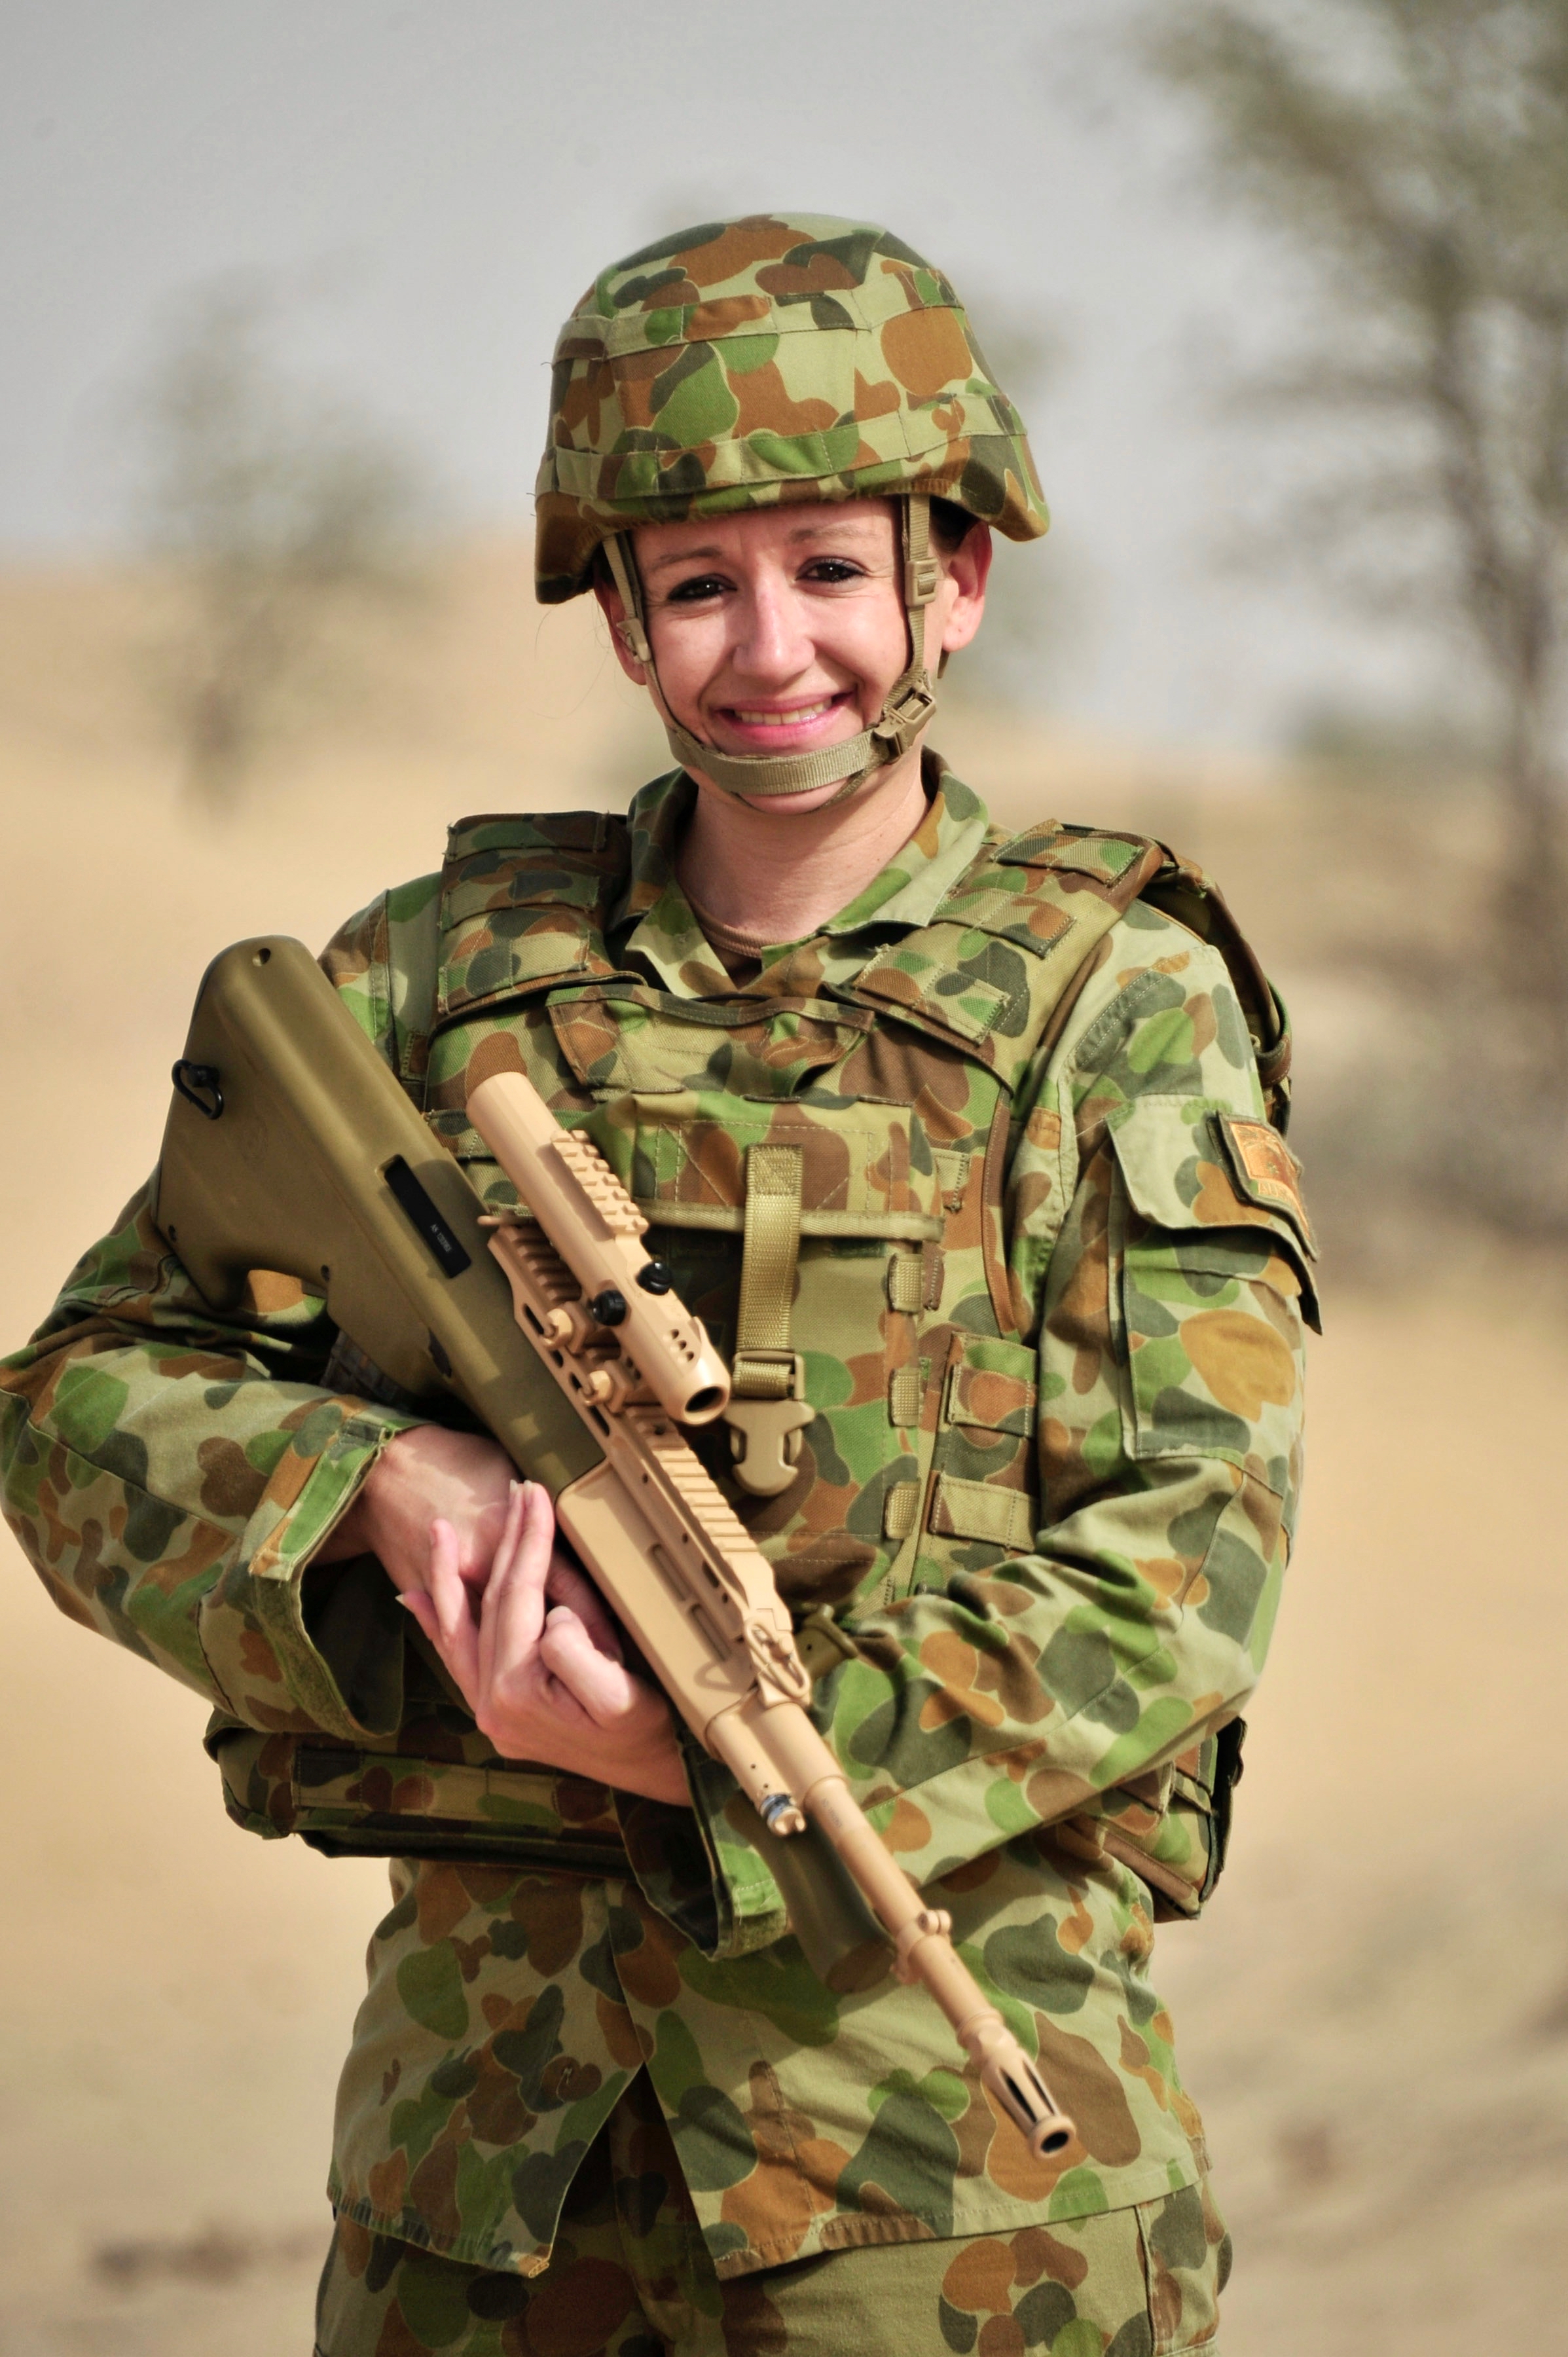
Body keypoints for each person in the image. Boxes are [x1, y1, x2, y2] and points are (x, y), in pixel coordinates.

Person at [0, 214, 1315, 2355]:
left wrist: (702, 1755)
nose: (767, 648)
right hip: (481, 2169)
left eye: (827, 570)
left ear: (950, 578)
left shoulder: (1115, 999)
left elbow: (1177, 1571)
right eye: (695, 583)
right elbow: (77, 1401)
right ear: (618, 621)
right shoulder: (434, 977)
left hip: (937, 2190)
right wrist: (377, 1494)